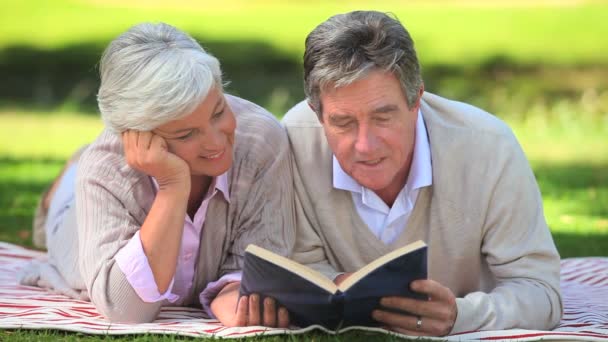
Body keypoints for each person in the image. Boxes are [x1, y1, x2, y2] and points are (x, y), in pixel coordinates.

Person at [282, 11, 562, 336]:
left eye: (383, 117)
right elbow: (297, 263)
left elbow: (541, 292)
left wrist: (460, 315)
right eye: (343, 123)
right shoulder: (293, 142)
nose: (365, 145)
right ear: (317, 113)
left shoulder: (489, 148)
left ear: (417, 99)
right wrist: (331, 283)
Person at [20, 22, 293, 328]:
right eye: (187, 134)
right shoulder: (105, 169)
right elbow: (126, 310)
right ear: (137, 134)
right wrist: (172, 186)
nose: (217, 142)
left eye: (218, 112)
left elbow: (263, 254)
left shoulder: (261, 140)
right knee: (63, 215)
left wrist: (232, 290)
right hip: (75, 218)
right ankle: (61, 187)